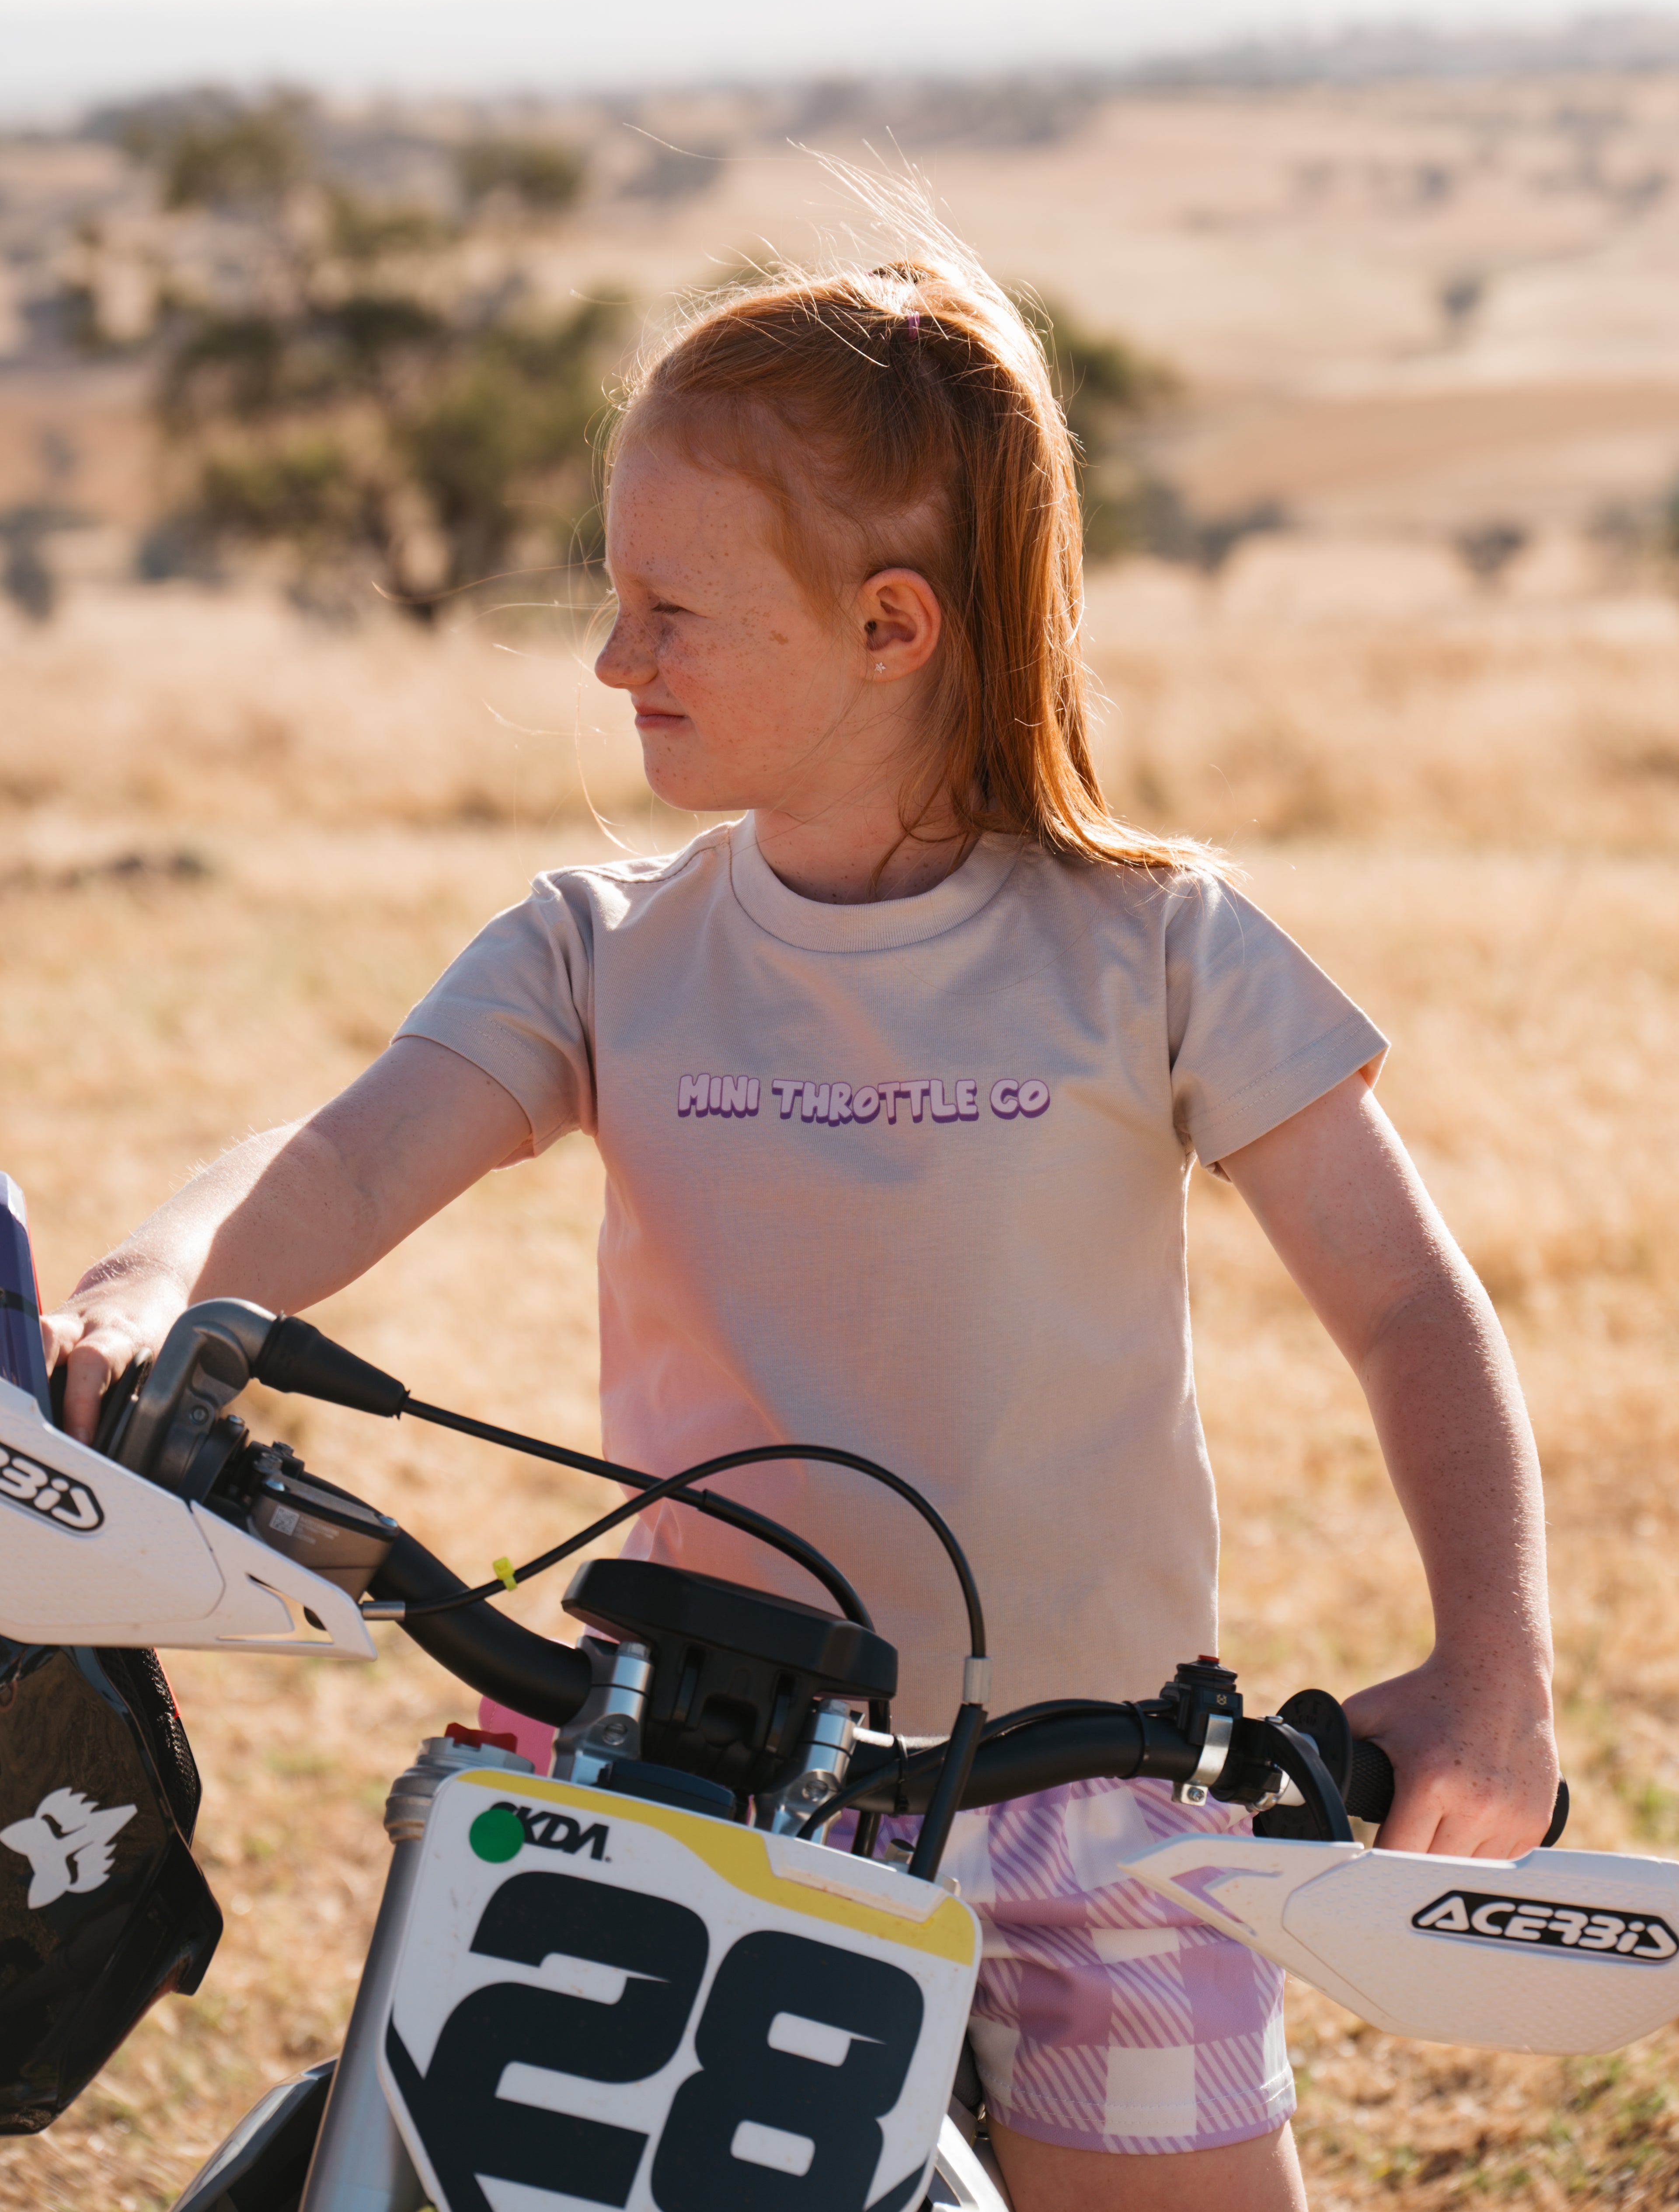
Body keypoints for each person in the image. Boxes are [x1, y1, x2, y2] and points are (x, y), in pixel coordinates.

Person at [48, 237, 1557, 2212]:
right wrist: (162, 1277)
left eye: (671, 608)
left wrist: (1496, 1661)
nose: (614, 659)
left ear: (891, 627)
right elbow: (341, 1155)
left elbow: (1408, 1314)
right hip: (667, 1785)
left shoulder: (1158, 948)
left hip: (1082, 1809)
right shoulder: (598, 952)